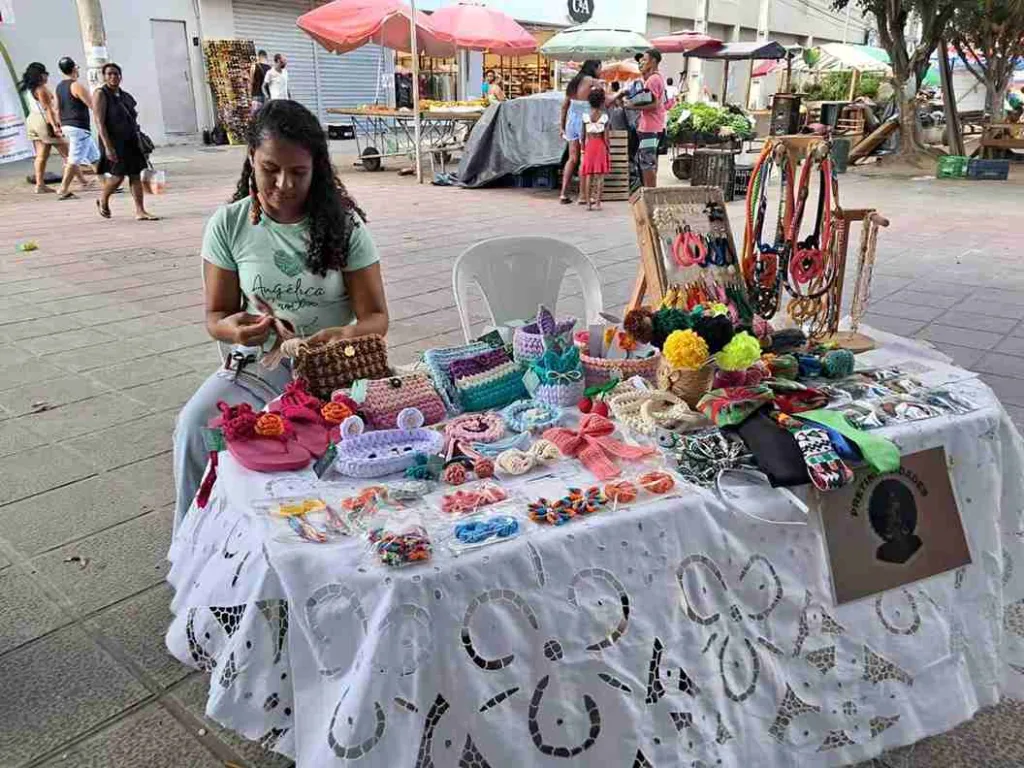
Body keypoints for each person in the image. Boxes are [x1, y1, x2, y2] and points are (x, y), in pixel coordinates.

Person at [172, 100, 389, 531]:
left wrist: (341, 335)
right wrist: (234, 329)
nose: (284, 184)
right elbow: (217, 314)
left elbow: (376, 319)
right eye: (270, 169)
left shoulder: (344, 226)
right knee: (195, 426)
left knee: (330, 455)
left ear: (317, 170)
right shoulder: (229, 224)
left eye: (299, 173)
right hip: (259, 369)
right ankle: (195, 543)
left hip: (332, 371)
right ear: (251, 158)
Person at [94, 62, 157, 220]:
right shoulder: (101, 94)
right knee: (118, 176)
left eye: (116, 74)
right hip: (114, 141)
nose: (113, 77)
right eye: (109, 74)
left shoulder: (124, 96)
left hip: (131, 140)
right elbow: (99, 122)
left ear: (120, 76)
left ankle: (140, 210)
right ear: (104, 76)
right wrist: (108, 147)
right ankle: (103, 199)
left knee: (135, 175)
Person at [17, 62, 68, 194]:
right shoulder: (41, 89)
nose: (47, 76)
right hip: (43, 121)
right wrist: (55, 126)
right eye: (46, 74)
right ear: (40, 75)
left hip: (32, 120)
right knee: (68, 154)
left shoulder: (29, 88)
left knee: (41, 156)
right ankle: (80, 182)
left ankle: (40, 185)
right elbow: (48, 110)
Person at [55, 56, 100, 200]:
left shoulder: (60, 87)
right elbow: (92, 104)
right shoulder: (76, 86)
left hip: (68, 125)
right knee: (74, 160)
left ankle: (107, 182)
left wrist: (58, 125)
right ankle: (63, 189)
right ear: (74, 68)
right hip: (79, 127)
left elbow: (56, 108)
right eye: (77, 67)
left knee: (94, 156)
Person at [622, 48, 667, 188]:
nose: (642, 62)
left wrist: (631, 106)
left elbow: (652, 104)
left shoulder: (653, 80)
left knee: (647, 163)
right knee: (649, 162)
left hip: (650, 127)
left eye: (645, 60)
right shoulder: (656, 78)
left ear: (653, 61)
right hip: (654, 126)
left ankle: (649, 192)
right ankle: (649, 191)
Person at [559, 59, 602, 205]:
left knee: (572, 158)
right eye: (600, 68)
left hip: (571, 121)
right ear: (594, 68)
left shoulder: (573, 82)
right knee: (585, 156)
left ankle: (563, 193)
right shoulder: (591, 80)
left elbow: (564, 106)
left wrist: (562, 126)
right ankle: (583, 195)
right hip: (585, 121)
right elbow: (605, 97)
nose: (600, 71)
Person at [580, 87, 610, 211]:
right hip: (600, 146)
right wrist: (608, 149)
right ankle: (597, 203)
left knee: (589, 175)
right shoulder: (604, 117)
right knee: (600, 176)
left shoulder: (585, 117)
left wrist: (583, 148)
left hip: (589, 146)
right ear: (602, 101)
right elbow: (606, 138)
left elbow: (582, 135)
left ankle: (588, 204)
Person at [250, 50, 271, 114]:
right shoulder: (270, 68)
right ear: (266, 57)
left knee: (255, 116)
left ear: (259, 56)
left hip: (256, 95)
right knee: (265, 115)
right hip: (267, 96)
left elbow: (251, 81)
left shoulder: (254, 66)